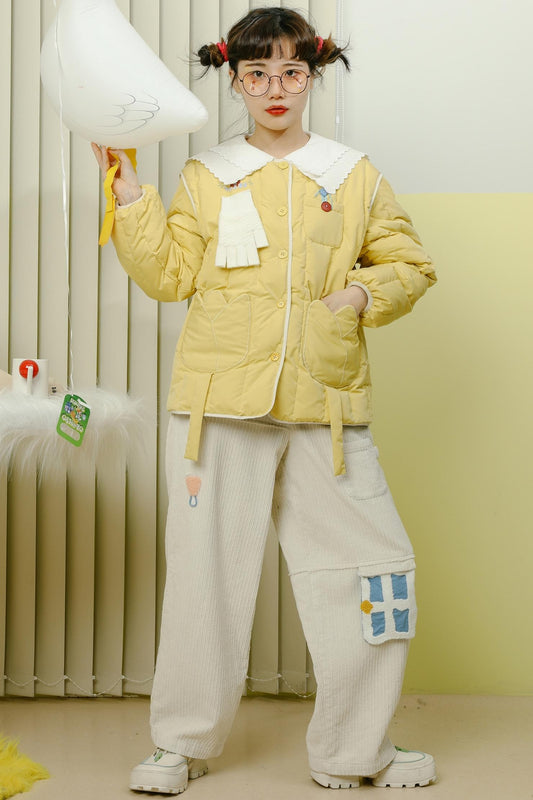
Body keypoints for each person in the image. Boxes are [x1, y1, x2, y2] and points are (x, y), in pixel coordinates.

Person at [92, 7, 437, 792]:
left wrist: (356, 294)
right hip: (216, 411)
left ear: (313, 76)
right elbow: (169, 276)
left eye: (290, 72)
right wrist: (132, 196)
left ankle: (357, 749)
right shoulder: (206, 175)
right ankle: (181, 744)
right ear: (235, 81)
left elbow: (410, 264)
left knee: (373, 570)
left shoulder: (352, 174)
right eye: (257, 74)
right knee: (204, 580)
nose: (274, 88)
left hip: (327, 408)